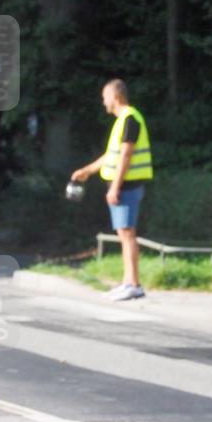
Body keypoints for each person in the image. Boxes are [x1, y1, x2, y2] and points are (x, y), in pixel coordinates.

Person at [70, 79, 153, 301]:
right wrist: (88, 170)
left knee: (127, 234)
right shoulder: (123, 121)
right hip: (123, 185)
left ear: (115, 97)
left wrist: (114, 187)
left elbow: (126, 155)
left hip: (127, 186)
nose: (103, 102)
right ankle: (128, 282)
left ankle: (133, 284)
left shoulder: (130, 119)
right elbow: (112, 155)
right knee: (124, 233)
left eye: (105, 97)